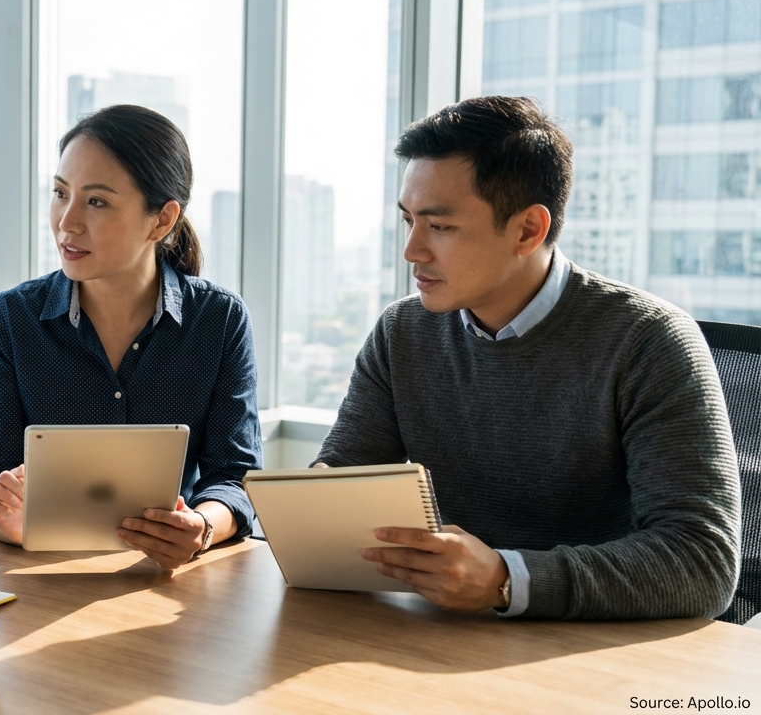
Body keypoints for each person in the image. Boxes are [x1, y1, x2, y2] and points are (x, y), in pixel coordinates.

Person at [315, 95, 740, 619]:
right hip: (444, 635)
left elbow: (702, 561)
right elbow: (338, 481)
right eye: (408, 221)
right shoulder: (404, 331)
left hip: (598, 655)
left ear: (527, 230)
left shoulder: (649, 341)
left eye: (440, 226)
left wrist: (506, 579)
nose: (412, 251)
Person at [0, 105, 261, 570]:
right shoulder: (11, 320)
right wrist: (7, 521)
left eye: (96, 201)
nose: (67, 222)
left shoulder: (219, 321)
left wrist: (200, 527)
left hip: (166, 580)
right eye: (61, 193)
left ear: (161, 221)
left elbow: (234, 475)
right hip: (36, 580)